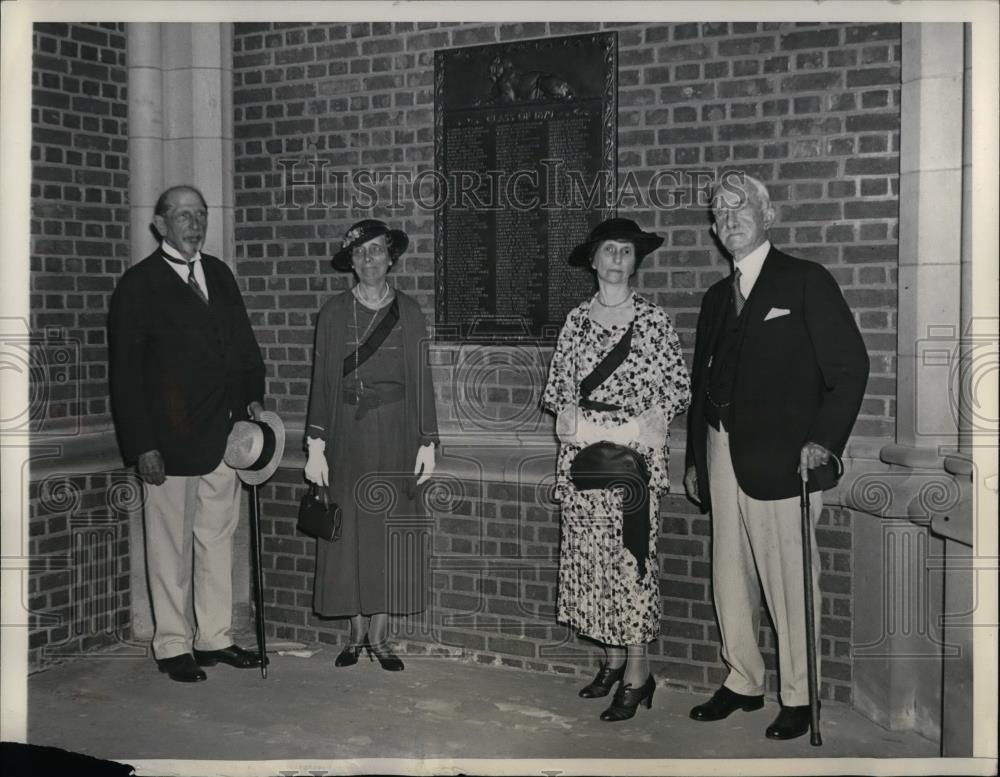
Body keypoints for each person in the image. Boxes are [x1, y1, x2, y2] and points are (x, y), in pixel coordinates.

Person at [684, 174, 869, 740]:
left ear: (769, 217)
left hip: (787, 460)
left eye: (741, 208)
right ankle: (743, 679)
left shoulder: (805, 281)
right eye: (719, 212)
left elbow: (850, 368)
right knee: (729, 574)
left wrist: (825, 441)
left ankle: (800, 694)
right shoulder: (717, 298)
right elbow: (702, 383)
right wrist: (695, 456)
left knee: (790, 582)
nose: (728, 219)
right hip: (721, 450)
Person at [109, 184, 267, 682]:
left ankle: (214, 637)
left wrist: (252, 402)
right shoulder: (139, 285)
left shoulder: (218, 274)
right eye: (182, 215)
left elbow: (244, 347)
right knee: (170, 546)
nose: (194, 224)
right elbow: (126, 376)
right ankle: (173, 644)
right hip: (169, 444)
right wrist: (142, 446)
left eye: (200, 214)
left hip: (225, 436)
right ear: (159, 225)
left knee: (217, 538)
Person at [542, 218, 691, 722]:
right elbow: (559, 388)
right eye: (608, 250)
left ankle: (638, 672)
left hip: (632, 461)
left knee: (631, 565)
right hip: (584, 457)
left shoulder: (652, 321)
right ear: (593, 260)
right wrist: (577, 423)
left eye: (625, 252)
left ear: (635, 261)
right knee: (591, 564)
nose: (616, 260)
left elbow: (677, 388)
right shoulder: (576, 321)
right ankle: (609, 660)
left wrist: (636, 427)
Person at [304, 219, 438, 672]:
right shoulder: (333, 312)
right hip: (346, 434)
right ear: (351, 261)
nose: (369, 260)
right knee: (349, 533)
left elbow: (422, 380)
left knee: (386, 530)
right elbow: (321, 381)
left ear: (391, 257)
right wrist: (316, 444)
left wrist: (427, 440)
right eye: (360, 253)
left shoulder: (411, 311)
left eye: (377, 250)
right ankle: (355, 632)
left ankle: (381, 636)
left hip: (396, 434)